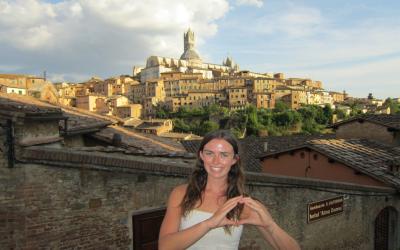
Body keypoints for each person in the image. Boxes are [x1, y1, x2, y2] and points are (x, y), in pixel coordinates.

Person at [159, 130, 300, 250]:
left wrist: (270, 225)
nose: (216, 161)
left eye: (224, 155)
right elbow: (164, 246)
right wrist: (209, 224)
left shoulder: (243, 204)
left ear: (234, 159)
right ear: (201, 156)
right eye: (209, 153)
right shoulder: (181, 194)